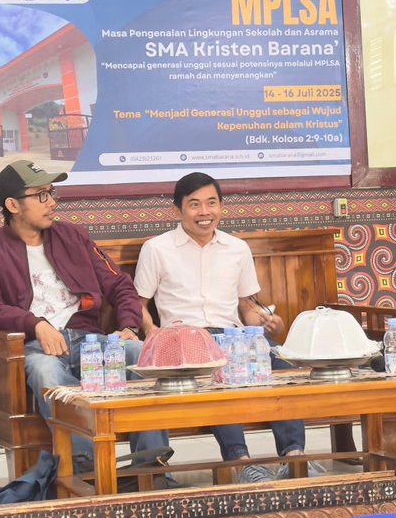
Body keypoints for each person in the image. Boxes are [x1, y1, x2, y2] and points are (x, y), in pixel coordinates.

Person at [0, 160, 170, 472]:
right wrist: (35, 324)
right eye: (41, 195)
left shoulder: (73, 236)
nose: (51, 202)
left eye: (51, 193)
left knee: (141, 354)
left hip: (89, 341)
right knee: (46, 371)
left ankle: (151, 467)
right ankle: (87, 471)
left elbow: (118, 284)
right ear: (12, 205)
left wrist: (129, 324)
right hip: (33, 347)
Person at [134, 172, 320, 483]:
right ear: (177, 210)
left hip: (235, 337)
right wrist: (152, 330)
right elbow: (137, 304)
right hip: (186, 342)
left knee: (284, 368)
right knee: (222, 372)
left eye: (211, 203)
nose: (204, 212)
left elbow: (247, 306)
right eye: (194, 204)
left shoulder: (237, 248)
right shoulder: (157, 249)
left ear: (222, 206)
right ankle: (241, 463)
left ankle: (294, 457)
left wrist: (263, 320)